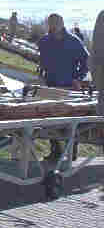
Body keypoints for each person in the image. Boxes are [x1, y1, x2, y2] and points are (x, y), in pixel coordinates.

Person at [37, 13, 90, 160]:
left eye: (56, 22)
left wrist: (78, 78)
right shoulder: (44, 41)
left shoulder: (73, 41)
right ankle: (55, 151)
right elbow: (42, 61)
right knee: (50, 119)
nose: (53, 25)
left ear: (62, 23)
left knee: (70, 120)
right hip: (50, 86)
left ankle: (71, 152)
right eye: (51, 23)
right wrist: (41, 75)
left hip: (69, 86)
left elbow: (87, 61)